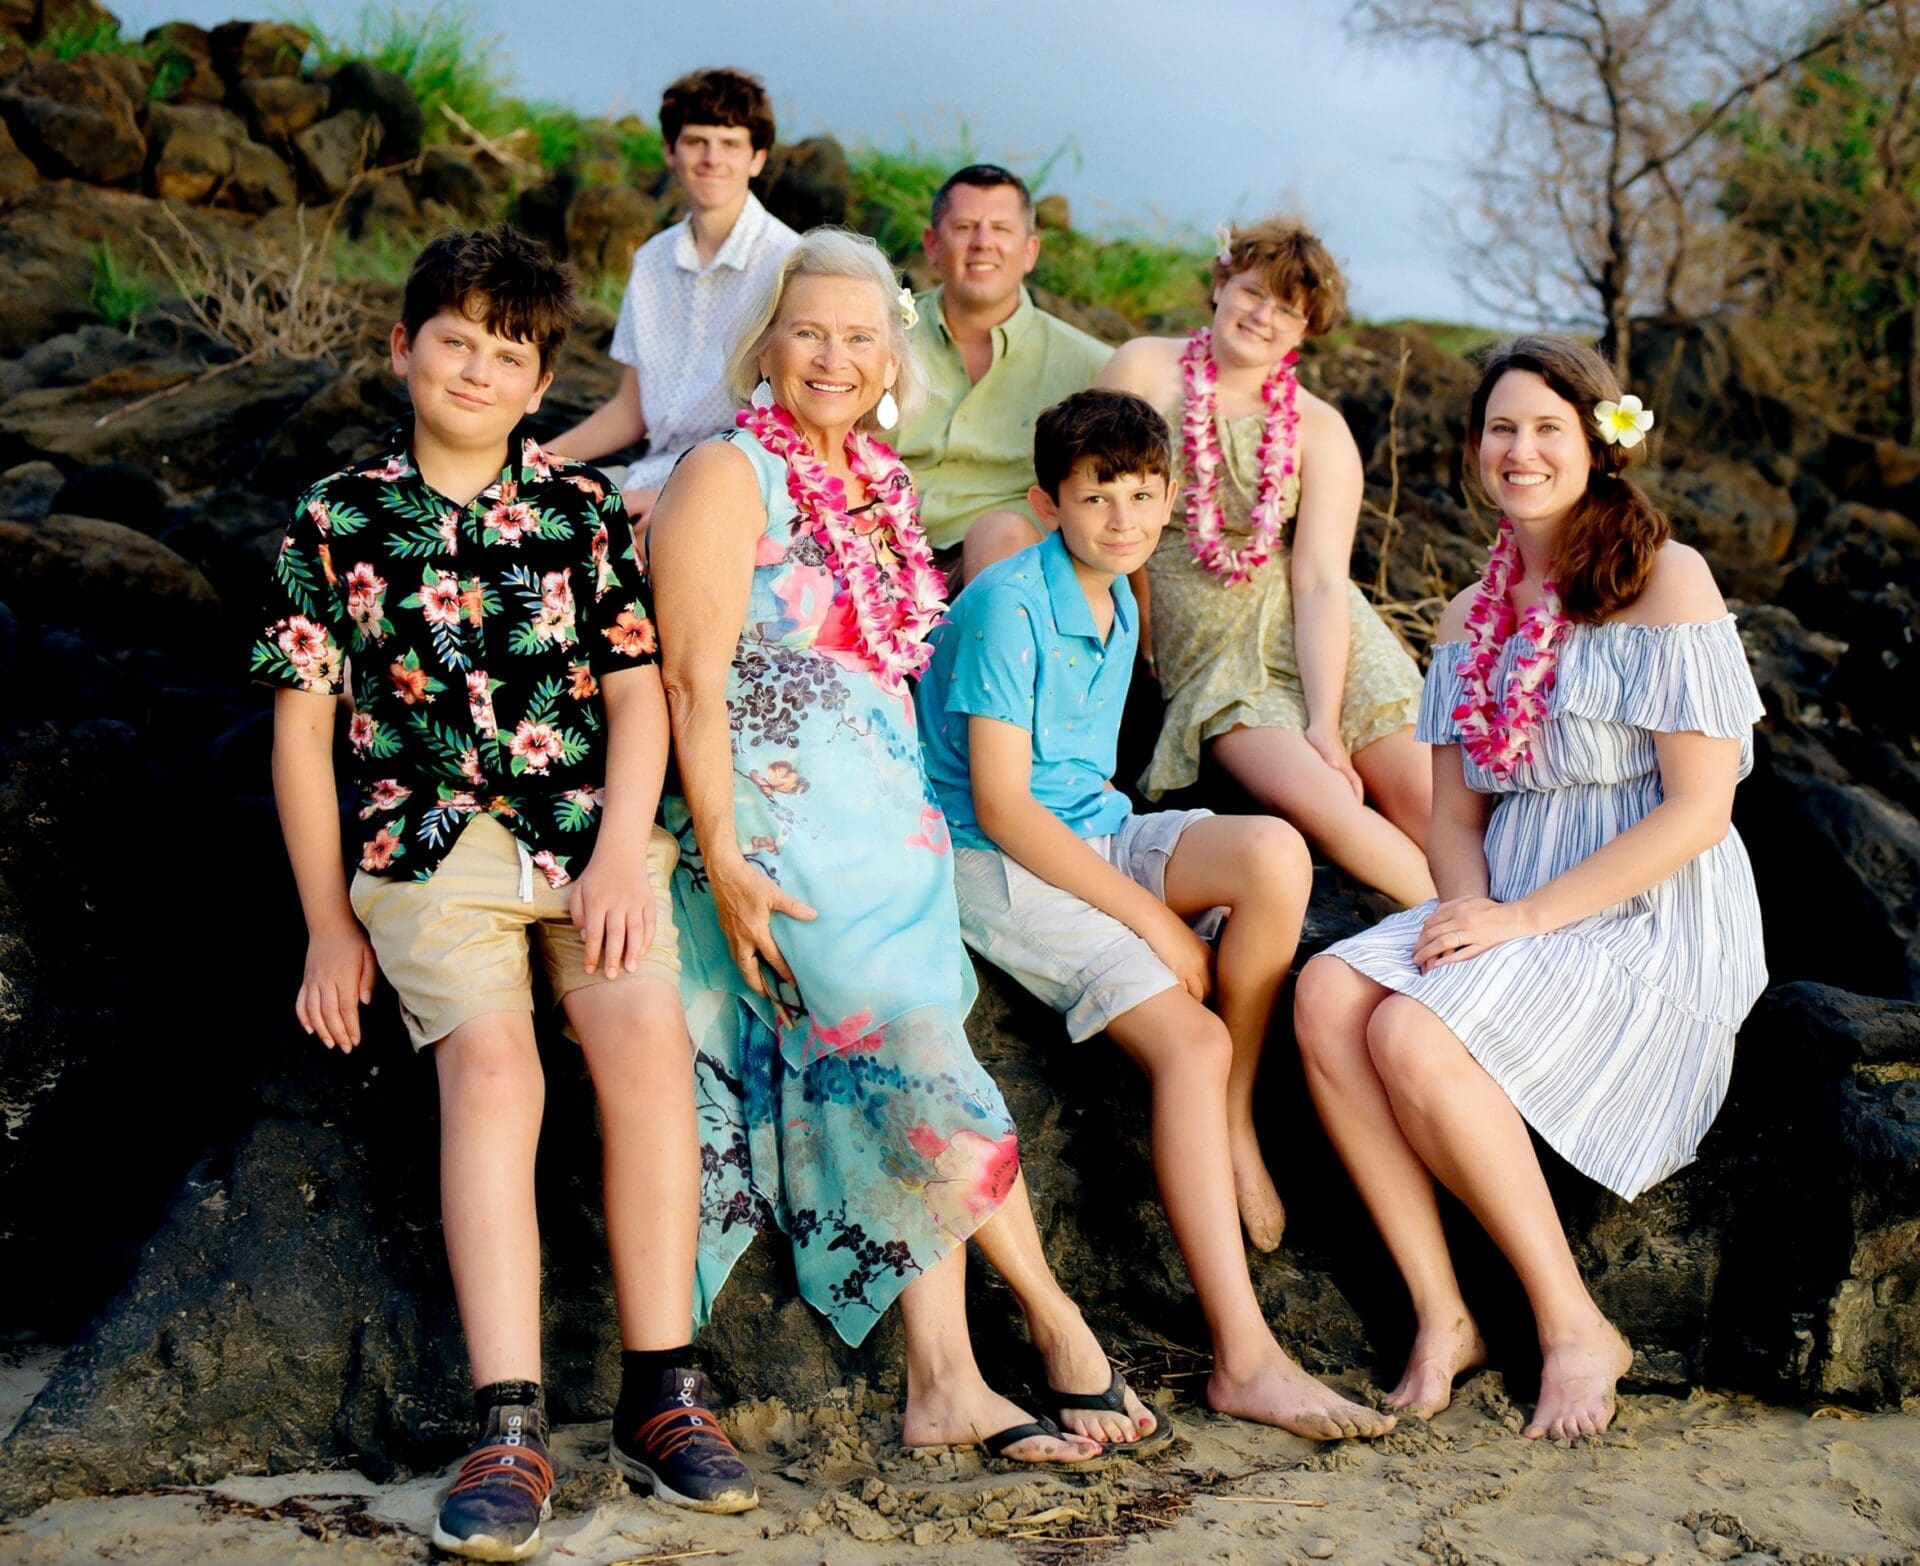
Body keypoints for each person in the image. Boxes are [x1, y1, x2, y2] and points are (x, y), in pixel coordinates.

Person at [254, 226, 757, 1563]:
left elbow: (639, 693)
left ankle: (665, 1392)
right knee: (496, 1071)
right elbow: (304, 732)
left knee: (647, 1042)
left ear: (543, 384)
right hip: (427, 849)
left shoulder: (585, 513)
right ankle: (509, 1420)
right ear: (404, 348)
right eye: (456, 340)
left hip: (584, 834)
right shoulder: (337, 515)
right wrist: (325, 923)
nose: (479, 367)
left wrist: (616, 852)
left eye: (510, 352)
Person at [648, 228, 1159, 1465]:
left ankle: (945, 1381)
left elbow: (893, 664)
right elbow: (687, 675)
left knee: (903, 1057)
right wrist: (722, 855)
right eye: (808, 331)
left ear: (892, 359)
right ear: (765, 344)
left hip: (890, 830)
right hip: (779, 830)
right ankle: (1055, 1328)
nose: (834, 356)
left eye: (861, 336)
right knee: (913, 1046)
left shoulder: (881, 483)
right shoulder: (728, 472)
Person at [1292, 335, 1767, 1441]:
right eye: (1502, 428)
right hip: (1509, 893)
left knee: (1411, 1035)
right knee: (1327, 996)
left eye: (1549, 428)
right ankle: (1444, 1312)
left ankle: (1569, 1323)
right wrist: (1465, 915)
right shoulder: (1469, 620)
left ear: (1599, 446)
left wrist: (1519, 922)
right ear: (1475, 450)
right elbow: (1455, 818)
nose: (1522, 450)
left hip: (1651, 908)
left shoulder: (1666, 582)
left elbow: (1700, 812)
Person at [916, 388, 1397, 1441]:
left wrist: (1150, 895)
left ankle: (1231, 1121)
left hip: (1094, 826)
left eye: (1142, 496)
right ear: (1049, 502)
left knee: (1273, 851)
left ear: (1172, 498)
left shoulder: (1123, 594)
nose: (1124, 519)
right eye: (1097, 498)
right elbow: (1000, 805)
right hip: (993, 857)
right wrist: (1153, 920)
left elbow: (1090, 788)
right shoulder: (1007, 604)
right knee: (1188, 1042)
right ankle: (1248, 1358)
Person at [1095, 218, 1434, 907]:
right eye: (1254, 292)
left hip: (1318, 629)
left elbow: (1317, 582)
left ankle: (1511, 936)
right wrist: (1136, 628)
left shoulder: (1320, 428)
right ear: (1221, 284)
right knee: (1329, 808)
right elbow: (1093, 503)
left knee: (1429, 799)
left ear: (1305, 330)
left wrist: (1325, 722)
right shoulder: (1144, 368)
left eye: (1288, 309)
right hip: (1211, 642)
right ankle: (1468, 940)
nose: (1264, 316)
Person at [547, 67, 799, 525]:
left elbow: (794, 428)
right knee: (524, 514)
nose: (711, 158)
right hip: (649, 470)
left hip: (741, 485)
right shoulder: (651, 260)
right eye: (695, 141)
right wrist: (538, 462)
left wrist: (672, 496)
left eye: (730, 144)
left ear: (757, 158)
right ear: (670, 151)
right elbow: (631, 410)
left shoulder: (789, 264)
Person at [893, 163, 1113, 582]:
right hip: (874, 549)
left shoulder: (1090, 365)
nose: (982, 243)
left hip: (999, 568)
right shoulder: (877, 332)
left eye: (1001, 228)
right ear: (932, 245)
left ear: (1030, 251)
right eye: (964, 227)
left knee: (1001, 534)